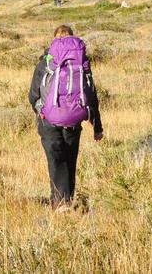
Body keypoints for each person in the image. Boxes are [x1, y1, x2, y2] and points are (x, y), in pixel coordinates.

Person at [28, 24, 104, 208]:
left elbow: (33, 94)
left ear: (54, 41)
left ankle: (60, 203)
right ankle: (68, 199)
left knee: (56, 160)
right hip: (74, 120)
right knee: (70, 159)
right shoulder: (81, 63)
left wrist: (40, 112)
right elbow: (91, 95)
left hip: (48, 120)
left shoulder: (46, 62)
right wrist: (97, 127)